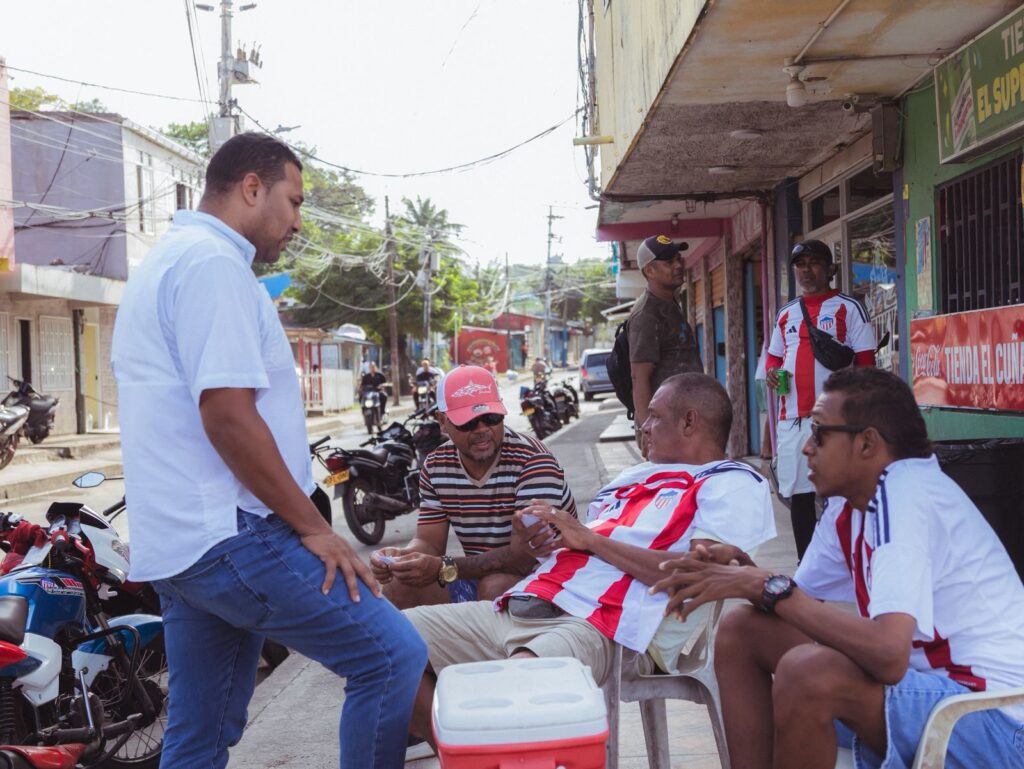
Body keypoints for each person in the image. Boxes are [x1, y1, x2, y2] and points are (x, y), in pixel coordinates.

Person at [111, 133, 426, 769]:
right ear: (252, 189)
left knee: (199, 736)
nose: (298, 222)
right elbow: (228, 416)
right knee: (391, 657)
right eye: (295, 201)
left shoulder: (168, 261)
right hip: (231, 535)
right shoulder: (212, 265)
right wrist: (315, 528)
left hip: (180, 546)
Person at [654, 368, 1024, 769]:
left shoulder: (906, 493)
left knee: (810, 674)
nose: (806, 448)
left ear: (867, 443)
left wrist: (766, 585)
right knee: (742, 630)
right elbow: (794, 603)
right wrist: (743, 573)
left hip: (993, 720)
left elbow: (888, 655)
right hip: (928, 697)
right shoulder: (848, 505)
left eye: (820, 434)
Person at [403, 373, 777, 748]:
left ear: (689, 422)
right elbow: (586, 554)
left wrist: (589, 538)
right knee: (390, 640)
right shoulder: (633, 478)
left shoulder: (732, 482)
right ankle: (459, 755)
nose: (644, 427)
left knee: (515, 685)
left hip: (611, 626)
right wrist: (540, 540)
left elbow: (697, 576)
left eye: (654, 416)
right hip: (530, 605)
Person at [371, 365, 577, 609]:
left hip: (555, 581)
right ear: (442, 421)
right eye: (468, 422)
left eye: (491, 418)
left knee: (494, 588)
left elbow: (524, 558)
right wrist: (403, 559)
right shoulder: (436, 466)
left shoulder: (533, 461)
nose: (482, 429)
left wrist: (444, 567)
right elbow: (429, 543)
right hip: (480, 577)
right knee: (398, 584)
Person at [765, 239, 876, 559]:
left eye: (814, 263)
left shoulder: (848, 307)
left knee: (839, 492)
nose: (806, 270)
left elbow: (866, 363)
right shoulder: (786, 313)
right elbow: (773, 357)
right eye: (800, 264)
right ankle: (808, 562)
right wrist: (772, 373)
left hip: (837, 421)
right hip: (792, 419)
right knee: (800, 496)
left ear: (830, 269)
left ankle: (847, 559)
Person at [627, 235, 702, 449]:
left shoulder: (669, 304)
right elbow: (639, 377)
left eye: (678, 259)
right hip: (666, 427)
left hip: (682, 421)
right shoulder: (646, 314)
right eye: (669, 262)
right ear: (650, 270)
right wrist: (647, 430)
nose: (678, 265)